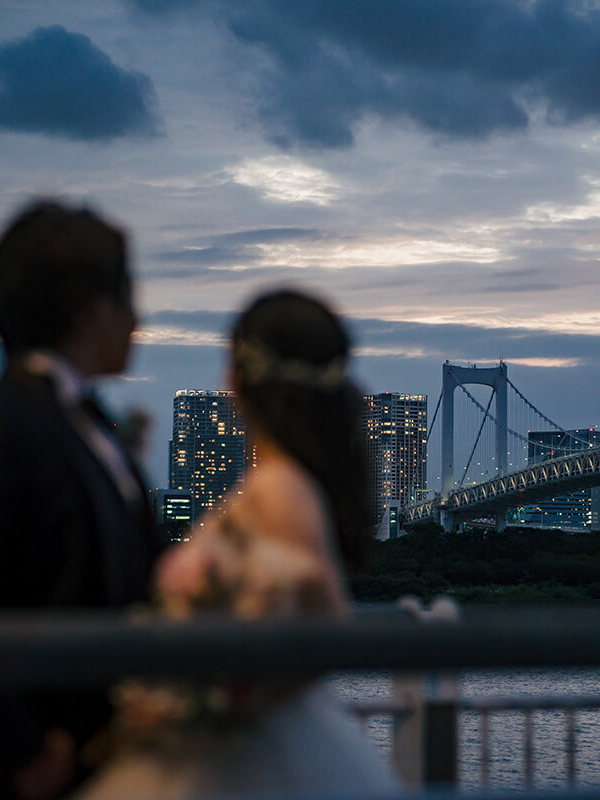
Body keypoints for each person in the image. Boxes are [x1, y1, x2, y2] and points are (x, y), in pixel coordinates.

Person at [75, 289, 399, 799]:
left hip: (245, 755)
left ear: (237, 382)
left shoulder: (280, 488)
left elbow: (329, 624)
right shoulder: (279, 481)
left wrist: (212, 701)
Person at [0, 201, 164, 800]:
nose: (137, 320)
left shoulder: (82, 423)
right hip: (16, 781)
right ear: (92, 309)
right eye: (128, 298)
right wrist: (25, 748)